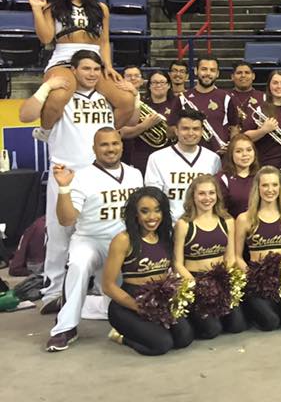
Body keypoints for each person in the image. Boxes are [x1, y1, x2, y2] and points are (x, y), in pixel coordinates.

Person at [19, 50, 127, 314]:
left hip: (99, 174)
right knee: (59, 235)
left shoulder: (105, 98)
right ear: (74, 70)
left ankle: (96, 288)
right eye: (86, 69)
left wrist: (130, 94)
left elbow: (129, 120)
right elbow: (25, 115)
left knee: (102, 233)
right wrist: (46, 87)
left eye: (96, 69)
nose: (91, 74)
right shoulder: (60, 97)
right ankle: (53, 291)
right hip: (65, 171)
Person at [45, 128, 143, 351]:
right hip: (90, 240)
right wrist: (63, 188)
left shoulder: (135, 174)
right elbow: (66, 219)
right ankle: (65, 328)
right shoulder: (81, 176)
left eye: (115, 144)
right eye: (104, 145)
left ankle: (79, 302)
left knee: (118, 306)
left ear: (122, 145)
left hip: (122, 243)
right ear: (94, 149)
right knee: (79, 265)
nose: (111, 149)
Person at [26, 0, 136, 130]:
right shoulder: (53, 7)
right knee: (58, 97)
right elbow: (46, 38)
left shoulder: (101, 8)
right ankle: (45, 131)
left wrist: (107, 65)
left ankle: (104, 136)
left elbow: (104, 41)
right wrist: (36, 10)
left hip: (94, 63)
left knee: (127, 100)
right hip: (64, 62)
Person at [102, 187, 195, 355]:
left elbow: (175, 270)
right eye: (145, 211)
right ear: (135, 214)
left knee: (184, 338)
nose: (152, 217)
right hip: (128, 304)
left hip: (159, 300)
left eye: (157, 210)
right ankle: (121, 336)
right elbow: (108, 286)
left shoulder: (166, 236)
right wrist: (138, 307)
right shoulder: (123, 240)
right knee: (162, 344)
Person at [173, 174, 247, 338]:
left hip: (219, 278)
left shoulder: (227, 221)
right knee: (212, 330)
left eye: (211, 193)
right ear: (193, 196)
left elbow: (231, 257)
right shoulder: (184, 224)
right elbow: (177, 263)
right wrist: (194, 284)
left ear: (217, 195)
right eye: (202, 193)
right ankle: (189, 318)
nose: (207, 198)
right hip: (195, 281)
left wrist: (222, 280)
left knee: (237, 326)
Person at [234, 166, 281, 330]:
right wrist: (253, 276)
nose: (270, 190)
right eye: (265, 185)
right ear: (257, 188)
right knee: (270, 323)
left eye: (274, 185)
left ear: (280, 187)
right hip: (257, 281)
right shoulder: (245, 218)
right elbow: (237, 257)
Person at [144, 108, 222, 221]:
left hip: (203, 225)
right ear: (176, 130)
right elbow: (153, 198)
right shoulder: (157, 158)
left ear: (202, 131)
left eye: (195, 129)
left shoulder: (213, 159)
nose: (191, 133)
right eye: (185, 128)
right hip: (170, 226)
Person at [120, 70, 180, 173]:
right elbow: (123, 132)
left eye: (162, 82)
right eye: (155, 82)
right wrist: (144, 126)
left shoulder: (177, 104)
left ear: (169, 85)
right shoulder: (139, 104)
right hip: (142, 156)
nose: (158, 85)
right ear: (149, 86)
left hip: (169, 157)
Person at [181, 57, 236, 154]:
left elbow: (234, 127)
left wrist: (232, 146)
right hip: (188, 155)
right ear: (196, 71)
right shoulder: (183, 98)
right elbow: (172, 129)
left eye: (212, 70)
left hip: (219, 156)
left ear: (217, 74)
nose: (208, 73)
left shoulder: (226, 97)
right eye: (204, 69)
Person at [216, 133, 260, 218]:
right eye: (239, 151)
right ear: (231, 154)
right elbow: (219, 211)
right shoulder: (222, 179)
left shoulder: (261, 176)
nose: (245, 154)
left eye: (249, 150)